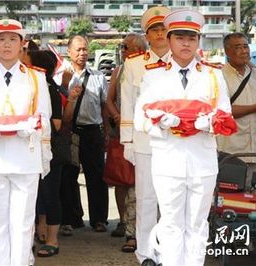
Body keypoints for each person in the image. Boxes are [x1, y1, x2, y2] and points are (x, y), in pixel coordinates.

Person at [135, 9, 235, 266]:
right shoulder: (153, 76)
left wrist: (208, 123)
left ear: (198, 41)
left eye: (192, 38)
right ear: (168, 40)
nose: (186, 43)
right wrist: (162, 124)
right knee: (170, 224)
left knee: (197, 225)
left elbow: (225, 115)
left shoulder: (213, 75)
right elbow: (140, 120)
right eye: (179, 37)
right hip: (168, 159)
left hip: (202, 160)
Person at [0, 19, 51, 266]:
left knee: (23, 222)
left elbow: (44, 115)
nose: (7, 44)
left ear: (22, 45)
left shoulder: (36, 78)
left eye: (13, 39)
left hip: (24, 157)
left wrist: (31, 129)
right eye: (1, 39)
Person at [119, 6, 171, 264]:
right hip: (145, 141)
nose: (160, 34)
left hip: (177, 142)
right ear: (147, 35)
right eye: (155, 29)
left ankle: (171, 253)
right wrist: (127, 140)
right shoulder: (134, 64)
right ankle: (147, 254)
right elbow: (127, 103)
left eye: (164, 28)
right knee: (146, 200)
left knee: (173, 201)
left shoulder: (183, 60)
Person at [62, 35, 109, 233]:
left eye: (85, 50)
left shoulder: (98, 76)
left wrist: (106, 131)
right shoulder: (61, 76)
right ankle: (73, 217)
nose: (82, 54)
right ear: (69, 52)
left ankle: (99, 219)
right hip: (69, 131)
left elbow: (105, 105)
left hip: (92, 132)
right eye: (78, 50)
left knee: (96, 176)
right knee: (68, 175)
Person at [106, 33, 147, 246]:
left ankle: (136, 230)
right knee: (121, 180)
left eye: (126, 47)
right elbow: (109, 99)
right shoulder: (119, 70)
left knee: (138, 184)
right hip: (122, 133)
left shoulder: (152, 67)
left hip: (145, 134)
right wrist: (116, 117)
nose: (123, 51)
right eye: (122, 47)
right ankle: (124, 222)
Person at [22, 50, 63, 257]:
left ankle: (53, 240)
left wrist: (30, 124)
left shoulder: (49, 90)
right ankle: (33, 234)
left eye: (27, 62)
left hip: (49, 151)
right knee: (31, 197)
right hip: (26, 151)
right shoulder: (24, 87)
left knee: (49, 195)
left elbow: (56, 123)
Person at [217, 32, 256, 187]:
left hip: (255, 153)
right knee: (232, 201)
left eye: (246, 46)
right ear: (227, 52)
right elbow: (224, 112)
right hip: (231, 155)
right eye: (238, 47)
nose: (244, 51)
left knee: (255, 198)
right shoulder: (219, 76)